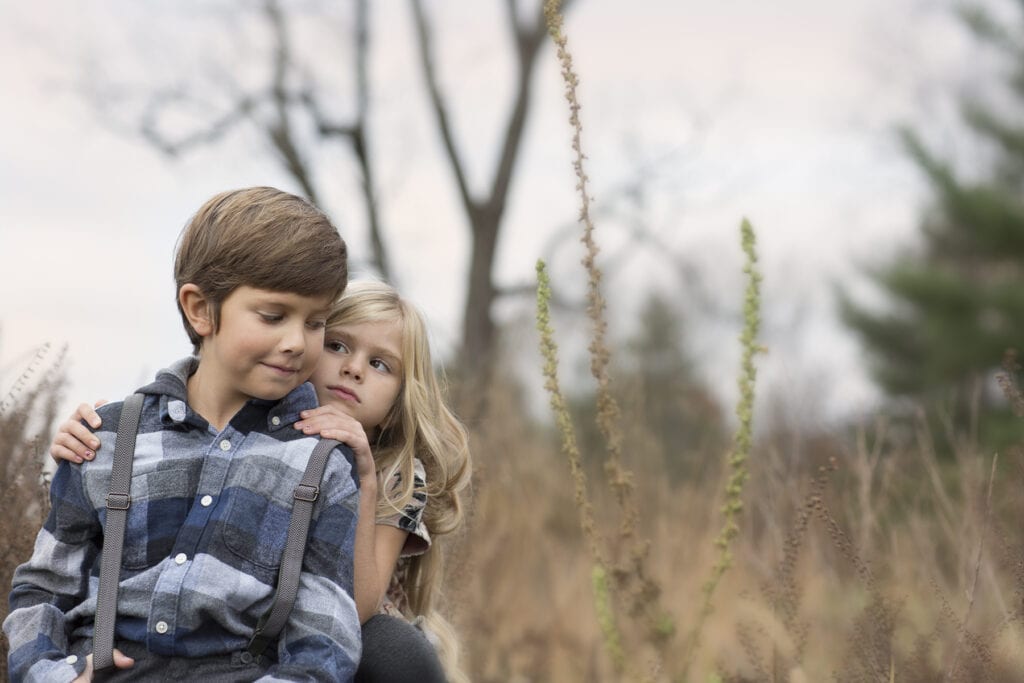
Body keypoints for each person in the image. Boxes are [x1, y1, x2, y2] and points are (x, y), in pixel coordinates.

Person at [5, 187, 362, 682]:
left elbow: (324, 634)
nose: (296, 343)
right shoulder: (105, 439)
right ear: (200, 310)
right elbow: (43, 588)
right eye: (273, 316)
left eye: (316, 322)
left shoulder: (321, 462)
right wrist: (49, 673)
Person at [49, 280, 472, 683]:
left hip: (341, 642)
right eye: (336, 345)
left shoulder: (396, 472)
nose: (353, 369)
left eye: (380, 364)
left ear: (399, 403)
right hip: (240, 634)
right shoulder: (247, 430)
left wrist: (364, 477)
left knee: (395, 648)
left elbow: (358, 608)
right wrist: (100, 439)